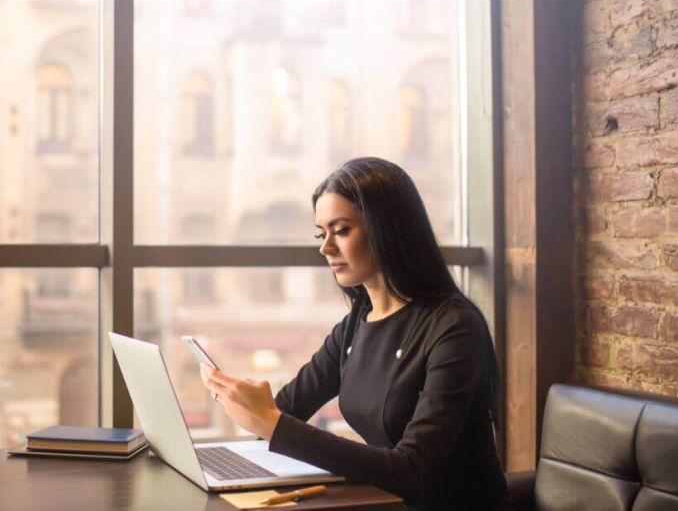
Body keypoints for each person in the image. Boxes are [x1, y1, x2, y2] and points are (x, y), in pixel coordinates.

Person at [201, 157, 510, 510]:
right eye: (322, 233)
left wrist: (273, 423)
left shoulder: (454, 328)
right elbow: (286, 410)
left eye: (342, 230)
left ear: (387, 228)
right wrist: (247, 403)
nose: (326, 247)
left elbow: (411, 468)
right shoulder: (355, 324)